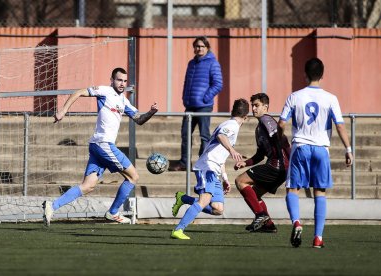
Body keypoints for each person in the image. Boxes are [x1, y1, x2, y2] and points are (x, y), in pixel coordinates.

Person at [42, 67, 158, 226]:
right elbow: (79, 92)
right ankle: (113, 212)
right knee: (133, 176)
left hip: (98, 146)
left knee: (88, 186)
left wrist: (151, 112)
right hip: (103, 144)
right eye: (119, 80)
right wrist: (63, 110)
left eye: (124, 81)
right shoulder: (105, 91)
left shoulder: (124, 101)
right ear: (112, 80)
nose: (122, 83)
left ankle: (51, 206)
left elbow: (139, 119)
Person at [278, 58, 353, 248]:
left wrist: (281, 142)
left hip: (300, 147)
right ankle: (318, 237)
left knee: (292, 189)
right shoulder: (331, 98)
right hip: (321, 149)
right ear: (323, 75)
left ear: (305, 74)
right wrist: (348, 149)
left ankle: (296, 222)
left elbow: (281, 124)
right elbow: (340, 125)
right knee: (320, 191)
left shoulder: (294, 96)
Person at [170, 98, 250, 239]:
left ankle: (183, 198)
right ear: (246, 117)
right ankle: (178, 230)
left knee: (218, 209)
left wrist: (225, 178)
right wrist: (232, 150)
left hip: (215, 169)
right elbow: (221, 136)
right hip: (207, 167)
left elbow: (221, 154)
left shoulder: (231, 125)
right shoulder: (232, 125)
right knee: (204, 200)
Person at [234, 93, 291, 233]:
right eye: (252, 105)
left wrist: (292, 165)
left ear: (265, 107)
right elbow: (260, 154)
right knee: (255, 193)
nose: (253, 108)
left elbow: (283, 141)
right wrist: (245, 163)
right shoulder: (259, 128)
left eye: (257, 105)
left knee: (240, 181)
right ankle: (269, 225)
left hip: (277, 166)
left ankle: (261, 215)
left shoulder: (267, 120)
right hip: (279, 168)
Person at [169, 36, 223, 171]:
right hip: (190, 106)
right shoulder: (191, 63)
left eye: (202, 46)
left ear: (207, 48)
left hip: (204, 106)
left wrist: (206, 98)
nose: (199, 48)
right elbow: (186, 83)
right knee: (185, 134)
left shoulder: (213, 63)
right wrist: (184, 98)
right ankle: (184, 163)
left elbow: (218, 84)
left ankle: (202, 163)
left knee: (204, 135)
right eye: (197, 46)